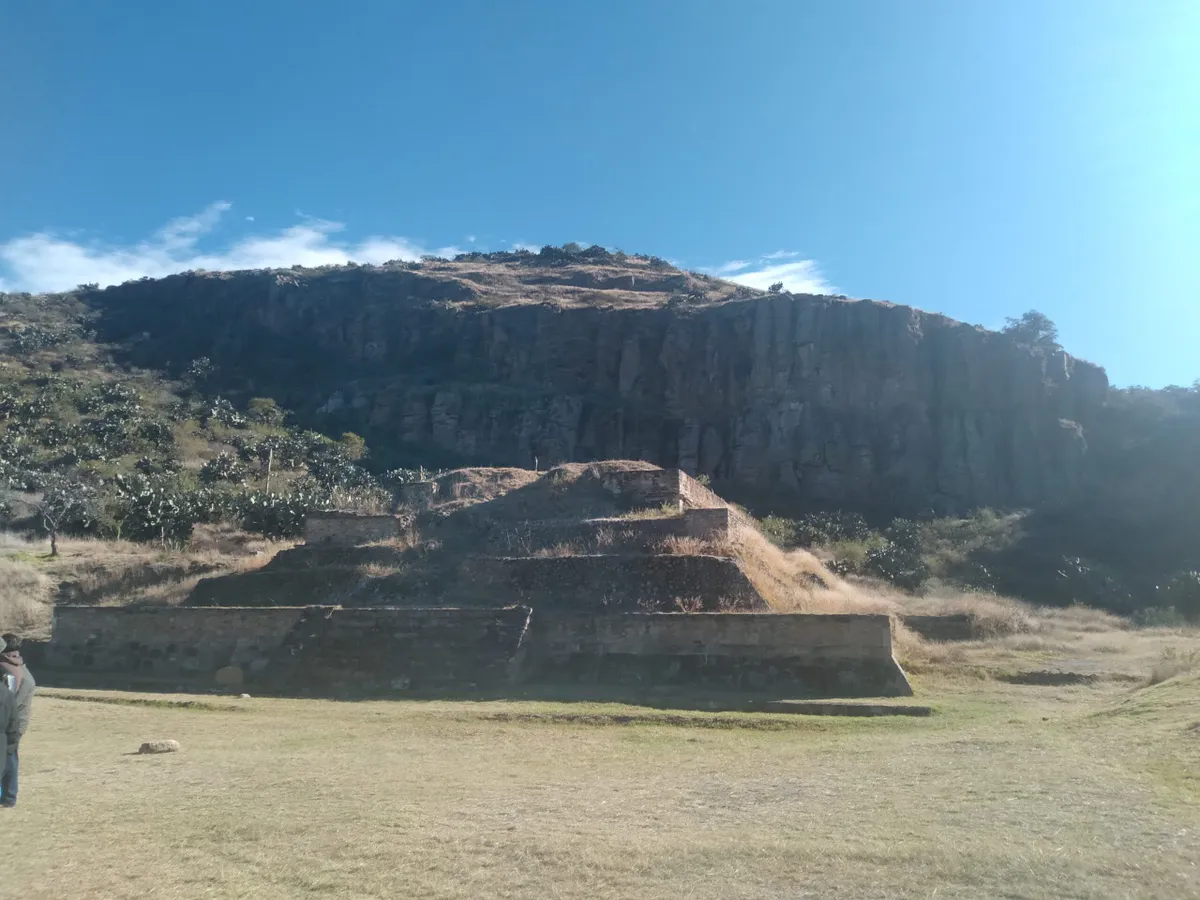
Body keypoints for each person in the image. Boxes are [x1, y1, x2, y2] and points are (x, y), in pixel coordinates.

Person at [0, 633, 34, 808]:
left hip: (11, 723)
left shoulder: (10, 670)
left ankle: (8, 797)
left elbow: (10, 701)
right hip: (14, 721)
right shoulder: (18, 666)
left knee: (9, 759)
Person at [0, 637, 20, 809]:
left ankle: (8, 797)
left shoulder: (8, 673)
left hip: (5, 733)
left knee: (9, 763)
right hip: (6, 733)